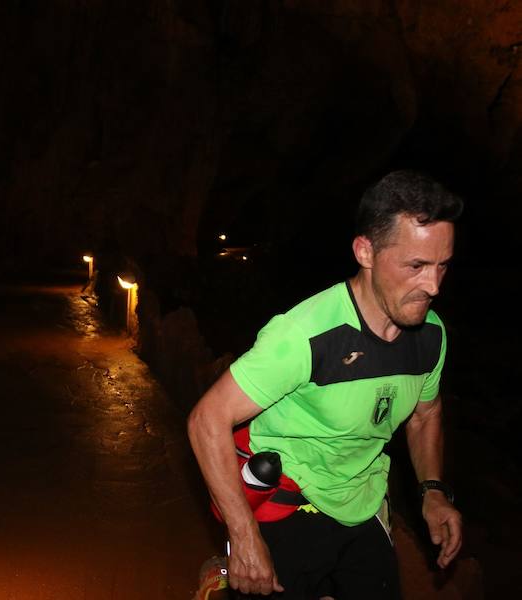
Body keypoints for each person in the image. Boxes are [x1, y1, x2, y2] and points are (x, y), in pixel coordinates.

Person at [188, 170, 464, 598]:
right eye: (416, 266)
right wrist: (244, 537)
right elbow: (207, 419)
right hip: (289, 499)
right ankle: (223, 574)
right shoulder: (304, 336)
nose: (432, 285)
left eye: (442, 266)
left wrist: (432, 491)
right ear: (365, 251)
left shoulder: (431, 336)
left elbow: (426, 414)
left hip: (365, 499)